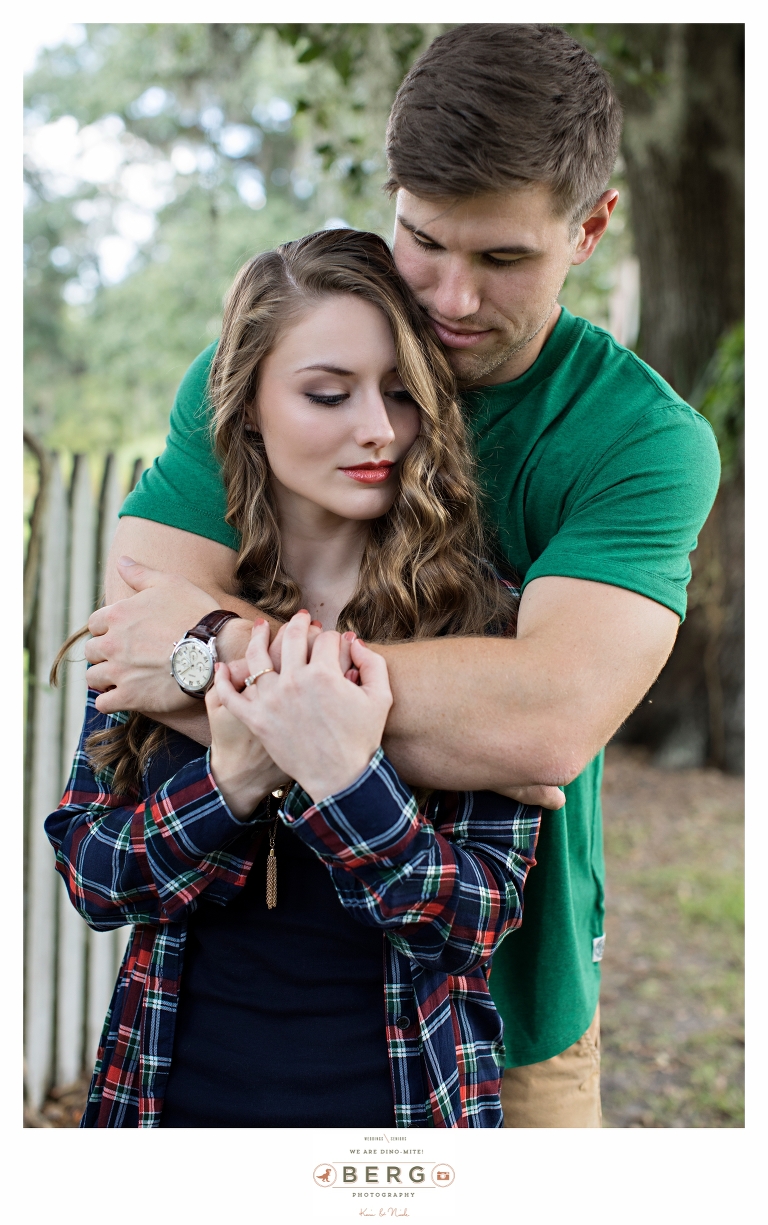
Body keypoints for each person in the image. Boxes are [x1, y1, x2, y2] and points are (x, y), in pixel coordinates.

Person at [82, 25, 721, 1127]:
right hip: (221, 1019)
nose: (454, 299)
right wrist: (446, 711)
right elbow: (132, 639)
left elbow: (540, 729)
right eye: (425, 242)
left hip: (502, 1020)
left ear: (592, 228)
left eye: (503, 258)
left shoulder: (640, 439)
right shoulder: (272, 362)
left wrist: (219, 652)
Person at [47, 229, 541, 1128]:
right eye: (327, 393)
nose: (378, 429)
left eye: (402, 393)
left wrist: (345, 778)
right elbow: (92, 873)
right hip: (169, 1106)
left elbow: (474, 921)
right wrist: (230, 781)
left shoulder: (484, 619)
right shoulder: (168, 610)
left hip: (398, 1123)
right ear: (246, 411)